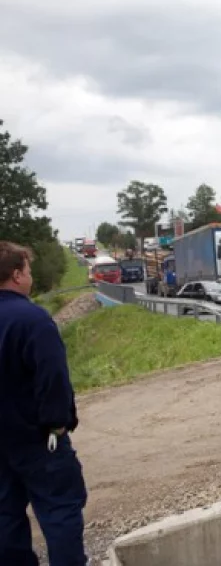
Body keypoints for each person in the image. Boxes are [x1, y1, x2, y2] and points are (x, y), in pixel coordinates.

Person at [0, 241, 88, 565]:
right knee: (60, 511)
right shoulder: (32, 320)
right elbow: (52, 378)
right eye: (29, 270)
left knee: (5, 519)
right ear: (17, 274)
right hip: (39, 440)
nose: (31, 276)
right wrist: (58, 423)